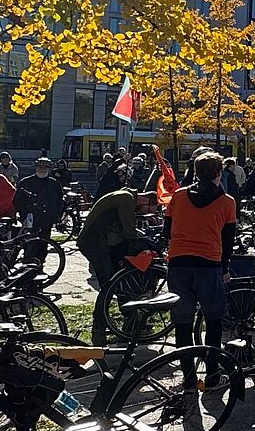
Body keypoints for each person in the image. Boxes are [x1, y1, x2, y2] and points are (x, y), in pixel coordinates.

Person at [164, 151, 237, 389]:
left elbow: (168, 230)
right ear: (218, 173)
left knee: (183, 323)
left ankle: (188, 378)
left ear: (195, 172)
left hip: (178, 263)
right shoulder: (227, 202)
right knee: (214, 321)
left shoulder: (179, 196)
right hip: (209, 264)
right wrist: (225, 267)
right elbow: (228, 241)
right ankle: (213, 375)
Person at [76, 165, 146, 343]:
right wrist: (143, 240)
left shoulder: (120, 195)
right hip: (94, 244)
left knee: (119, 281)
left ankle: (129, 324)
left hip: (98, 241)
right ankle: (98, 330)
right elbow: (129, 229)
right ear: (143, 199)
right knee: (108, 285)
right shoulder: (126, 199)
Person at [14, 158, 64, 265]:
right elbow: (17, 200)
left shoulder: (54, 184)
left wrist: (56, 216)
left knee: (44, 241)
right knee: (28, 241)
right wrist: (24, 213)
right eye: (40, 167)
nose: (42, 170)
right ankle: (28, 261)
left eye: (45, 167)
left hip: (47, 218)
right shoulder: (26, 182)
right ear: (36, 168)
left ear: (49, 169)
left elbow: (60, 201)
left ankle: (40, 262)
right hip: (29, 217)